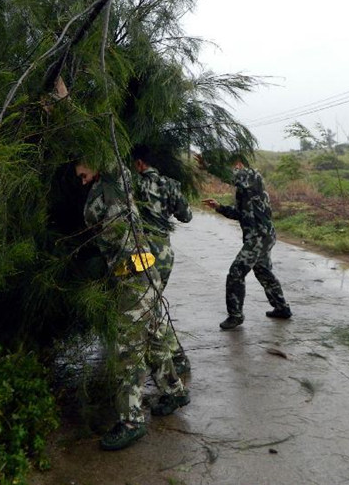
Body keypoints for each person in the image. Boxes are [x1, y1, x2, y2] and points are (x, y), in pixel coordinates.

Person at [75, 161, 190, 451]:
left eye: (81, 172)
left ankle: (131, 421)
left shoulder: (117, 178)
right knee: (153, 339)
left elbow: (103, 143)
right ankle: (174, 391)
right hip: (142, 274)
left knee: (128, 352)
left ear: (94, 158)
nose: (81, 180)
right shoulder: (108, 187)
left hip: (135, 278)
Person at [202, 156, 292, 329]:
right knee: (263, 272)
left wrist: (210, 166)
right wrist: (219, 207)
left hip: (259, 237)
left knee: (236, 272)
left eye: (234, 167)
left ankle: (235, 316)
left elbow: (234, 175)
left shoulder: (253, 176)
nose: (234, 172)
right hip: (262, 236)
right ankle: (282, 308)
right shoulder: (245, 191)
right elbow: (239, 214)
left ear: (239, 164)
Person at [131, 144, 193, 374]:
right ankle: (174, 358)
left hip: (145, 255)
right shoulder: (170, 184)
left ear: (139, 164)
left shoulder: (133, 185)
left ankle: (176, 359)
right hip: (166, 254)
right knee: (152, 306)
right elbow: (186, 216)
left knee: (150, 309)